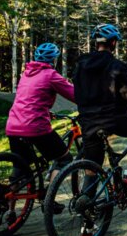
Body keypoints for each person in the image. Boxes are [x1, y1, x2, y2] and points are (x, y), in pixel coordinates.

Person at [74, 23, 127, 188]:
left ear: (96, 42)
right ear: (113, 43)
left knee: (92, 167)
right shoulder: (117, 66)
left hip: (88, 122)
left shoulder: (80, 65)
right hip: (115, 120)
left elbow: (76, 92)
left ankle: (86, 203)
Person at [5, 42, 76, 176]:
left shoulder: (26, 74)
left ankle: (6, 193)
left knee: (21, 166)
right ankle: (50, 195)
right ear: (54, 59)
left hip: (13, 126)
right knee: (64, 160)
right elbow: (75, 95)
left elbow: (29, 100)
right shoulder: (51, 75)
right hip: (35, 127)